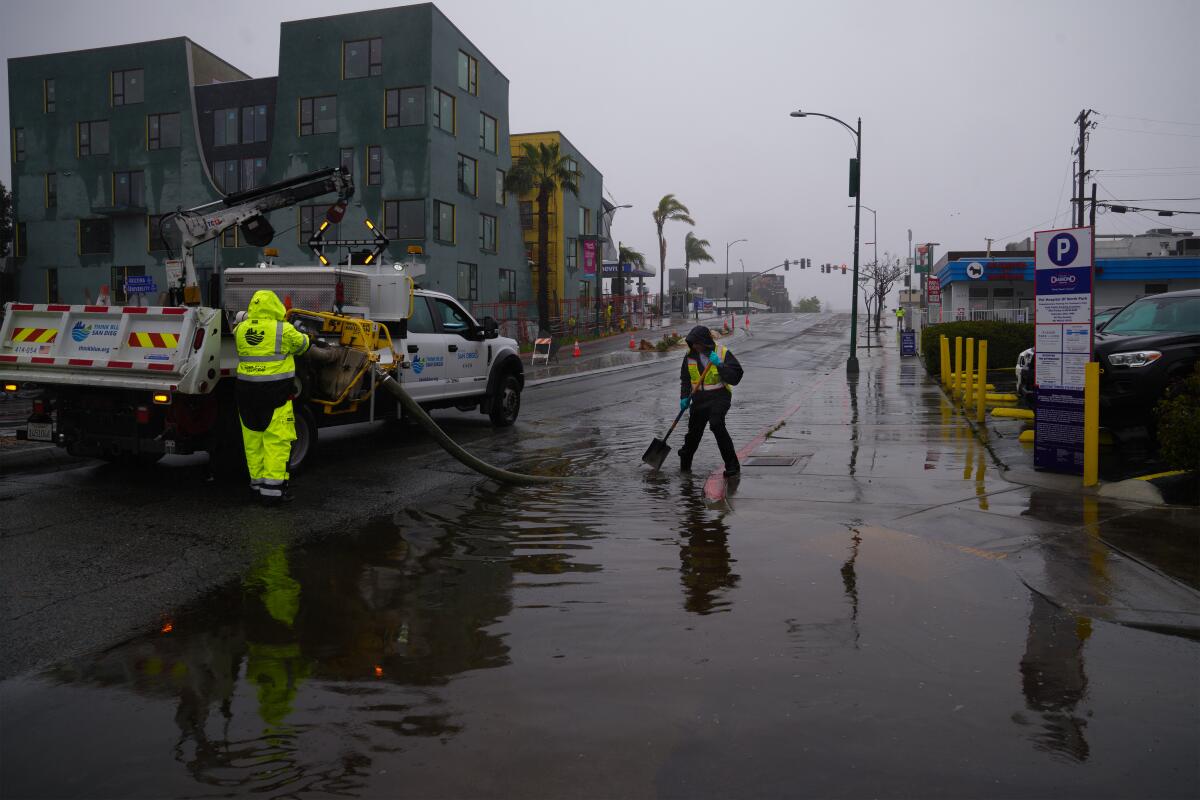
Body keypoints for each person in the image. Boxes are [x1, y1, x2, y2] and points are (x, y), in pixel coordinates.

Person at [234, 290, 312, 503]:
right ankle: (273, 493)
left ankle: (256, 486)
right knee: (276, 442)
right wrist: (301, 331)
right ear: (275, 306)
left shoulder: (240, 329)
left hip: (246, 394)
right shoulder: (283, 330)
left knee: (253, 442)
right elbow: (304, 345)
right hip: (275, 395)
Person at [678, 325, 743, 476]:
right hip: (699, 399)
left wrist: (720, 364)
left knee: (717, 424)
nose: (695, 346)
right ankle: (684, 467)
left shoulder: (721, 353)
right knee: (694, 433)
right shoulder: (689, 356)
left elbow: (736, 377)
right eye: (692, 343)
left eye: (697, 343)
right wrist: (684, 397)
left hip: (719, 396)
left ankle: (733, 467)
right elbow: (686, 380)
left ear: (705, 342)